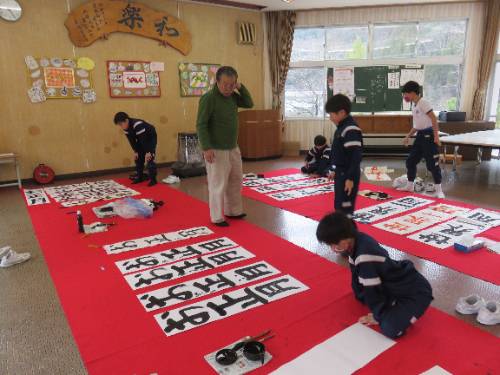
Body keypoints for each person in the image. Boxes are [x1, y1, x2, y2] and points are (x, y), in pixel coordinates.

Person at [316, 212, 433, 339]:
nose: (333, 249)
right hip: (390, 283)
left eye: (334, 244)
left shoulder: (365, 256)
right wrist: (360, 294)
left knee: (390, 328)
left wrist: (378, 315)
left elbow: (372, 292)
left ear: (346, 238)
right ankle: (391, 302)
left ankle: (397, 307)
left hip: (415, 292)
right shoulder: (355, 241)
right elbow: (357, 279)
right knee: (360, 295)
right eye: (330, 245)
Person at [196, 66, 253, 227]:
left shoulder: (233, 96)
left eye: (232, 84)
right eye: (225, 84)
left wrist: (240, 88)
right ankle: (217, 217)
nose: (228, 88)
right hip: (215, 148)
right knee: (217, 183)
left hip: (233, 147)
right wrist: (206, 147)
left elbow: (249, 103)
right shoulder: (208, 98)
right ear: (217, 81)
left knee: (235, 180)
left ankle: (233, 211)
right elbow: (201, 124)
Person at [399, 81, 444, 198]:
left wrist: (436, 137)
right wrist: (408, 136)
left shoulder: (423, 102)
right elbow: (417, 125)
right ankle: (409, 186)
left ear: (413, 93)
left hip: (429, 136)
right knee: (411, 161)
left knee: (432, 165)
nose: (404, 97)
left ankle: (439, 190)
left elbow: (434, 119)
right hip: (420, 136)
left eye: (405, 94)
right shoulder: (415, 106)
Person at [325, 94, 363, 217]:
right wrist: (334, 169)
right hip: (341, 173)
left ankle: (349, 233)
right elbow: (339, 154)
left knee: (346, 210)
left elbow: (355, 156)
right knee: (339, 205)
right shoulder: (341, 128)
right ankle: (342, 233)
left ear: (341, 112)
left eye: (331, 114)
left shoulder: (350, 129)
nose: (330, 118)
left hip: (348, 174)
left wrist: (350, 178)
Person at [114, 112, 158, 186]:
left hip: (150, 137)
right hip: (140, 138)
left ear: (126, 120)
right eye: (119, 125)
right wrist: (136, 151)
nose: (121, 126)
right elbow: (132, 141)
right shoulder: (126, 128)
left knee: (149, 158)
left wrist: (148, 151)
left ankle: (153, 179)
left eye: (121, 124)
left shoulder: (137, 124)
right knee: (138, 158)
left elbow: (144, 139)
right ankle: (140, 177)